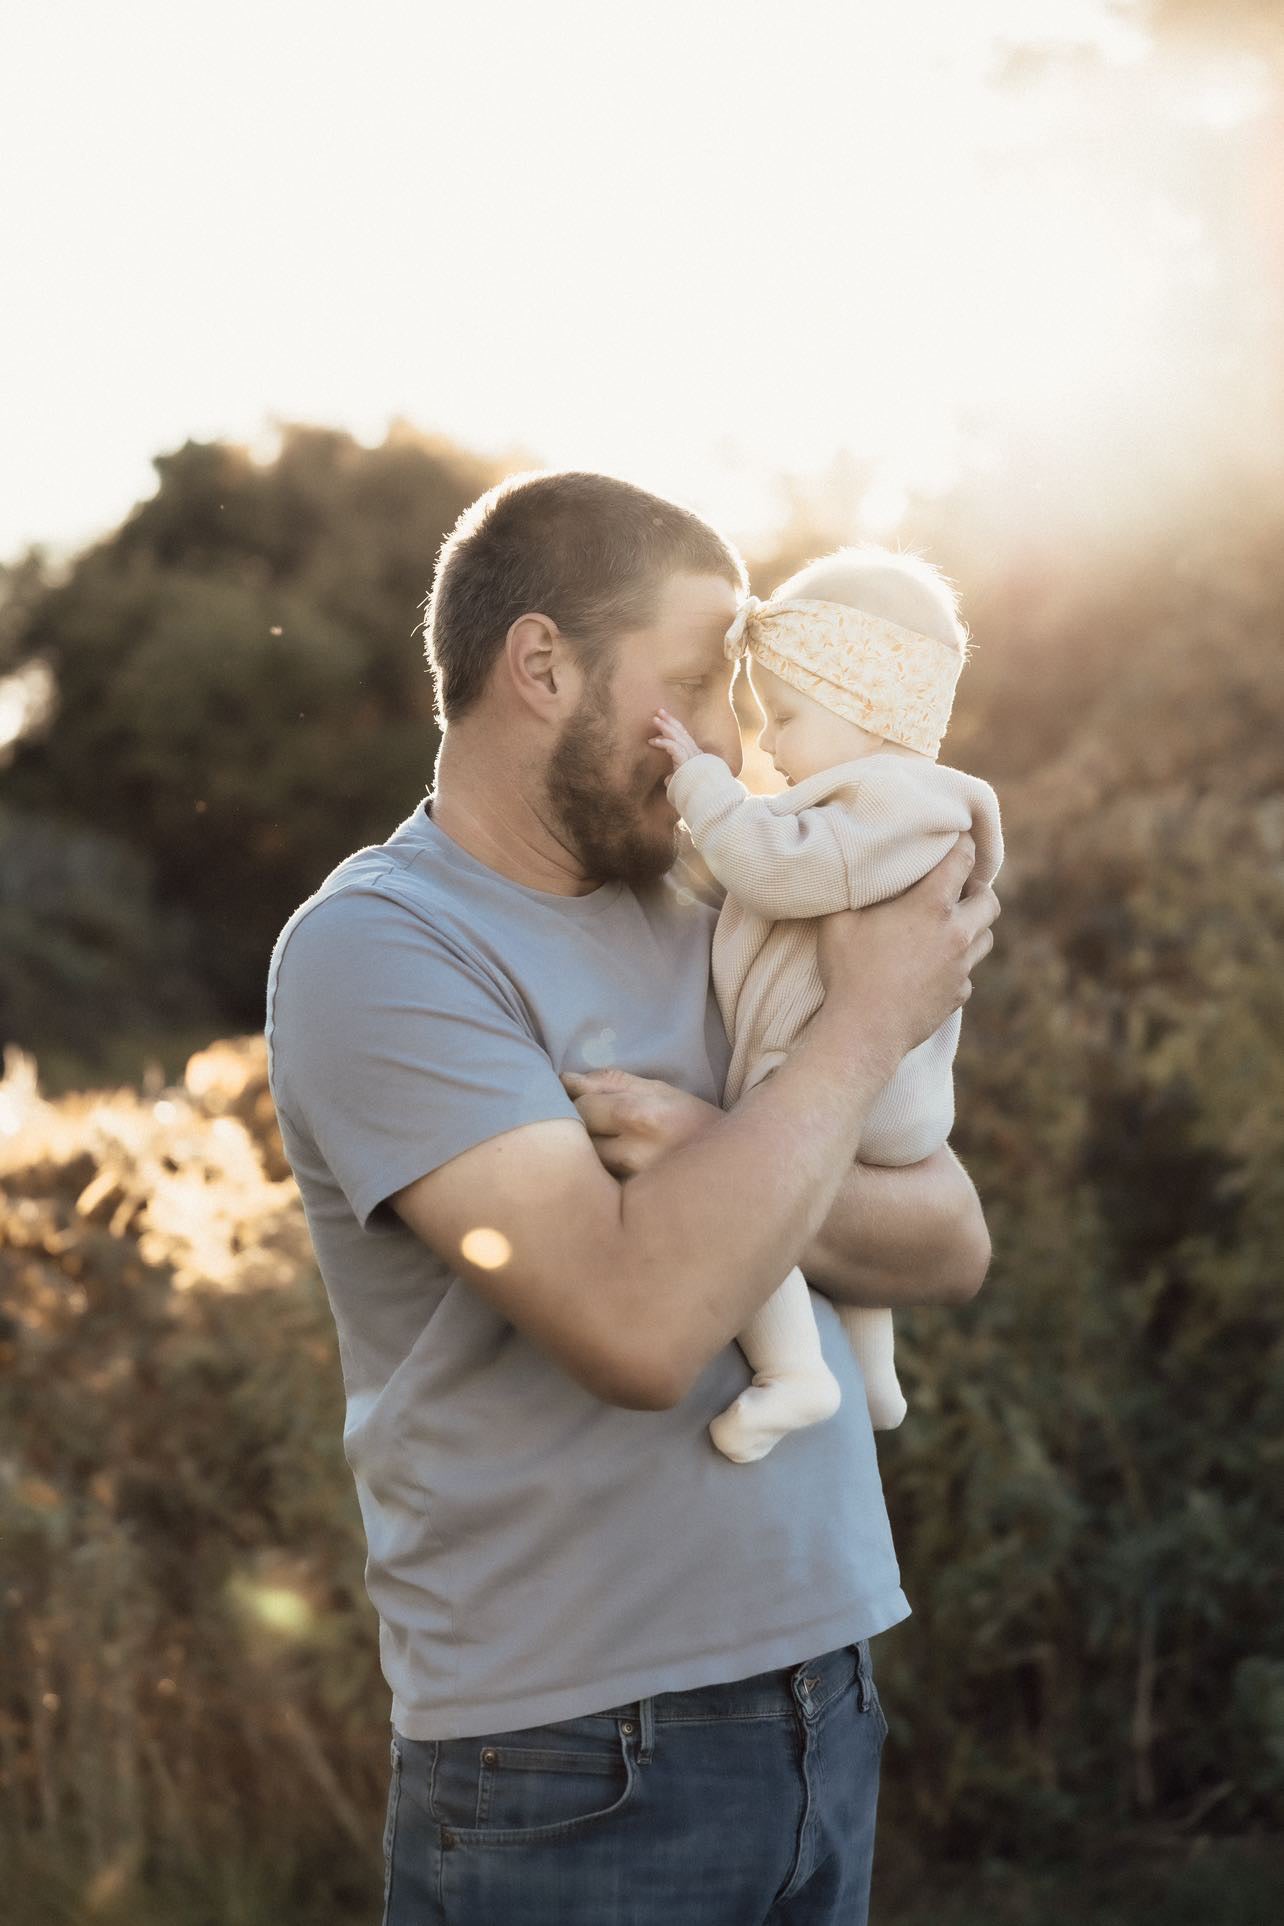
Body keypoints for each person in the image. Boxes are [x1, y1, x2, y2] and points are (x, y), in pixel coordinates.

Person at [265, 471, 999, 1926]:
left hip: (825, 1698)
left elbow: (949, 1237)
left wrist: (723, 1150)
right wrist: (861, 1030)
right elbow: (638, 1323)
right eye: (696, 684)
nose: (728, 740)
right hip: (572, 1759)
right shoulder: (383, 950)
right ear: (542, 666)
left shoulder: (717, 905)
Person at [650, 547, 1003, 1461]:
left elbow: (774, 869)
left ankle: (794, 1371)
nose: (766, 745)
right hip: (899, 1103)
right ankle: (875, 1376)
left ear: (865, 706)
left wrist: (701, 789)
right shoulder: (908, 809)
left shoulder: (881, 806)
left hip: (846, 1075)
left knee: (761, 1174)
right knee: (826, 1195)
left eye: (785, 716)